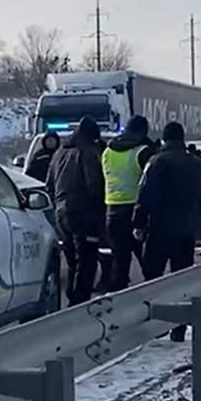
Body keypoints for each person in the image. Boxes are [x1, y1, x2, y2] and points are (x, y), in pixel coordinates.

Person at [135, 121, 201, 340]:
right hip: (186, 229)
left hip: (159, 228)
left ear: (164, 139)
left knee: (153, 276)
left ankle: (157, 321)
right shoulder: (197, 163)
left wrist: (138, 223)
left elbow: (145, 195)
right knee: (182, 278)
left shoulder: (156, 162)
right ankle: (179, 327)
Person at [45, 117, 106, 305]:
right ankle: (80, 304)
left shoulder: (59, 153)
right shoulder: (87, 153)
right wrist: (100, 214)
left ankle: (71, 298)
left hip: (61, 213)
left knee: (71, 260)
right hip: (83, 214)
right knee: (87, 261)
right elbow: (94, 185)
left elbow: (49, 184)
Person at [100, 115, 156, 291]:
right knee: (148, 262)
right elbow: (151, 184)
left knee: (120, 261)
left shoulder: (108, 151)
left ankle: (119, 301)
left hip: (112, 210)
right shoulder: (143, 151)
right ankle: (153, 297)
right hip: (135, 211)